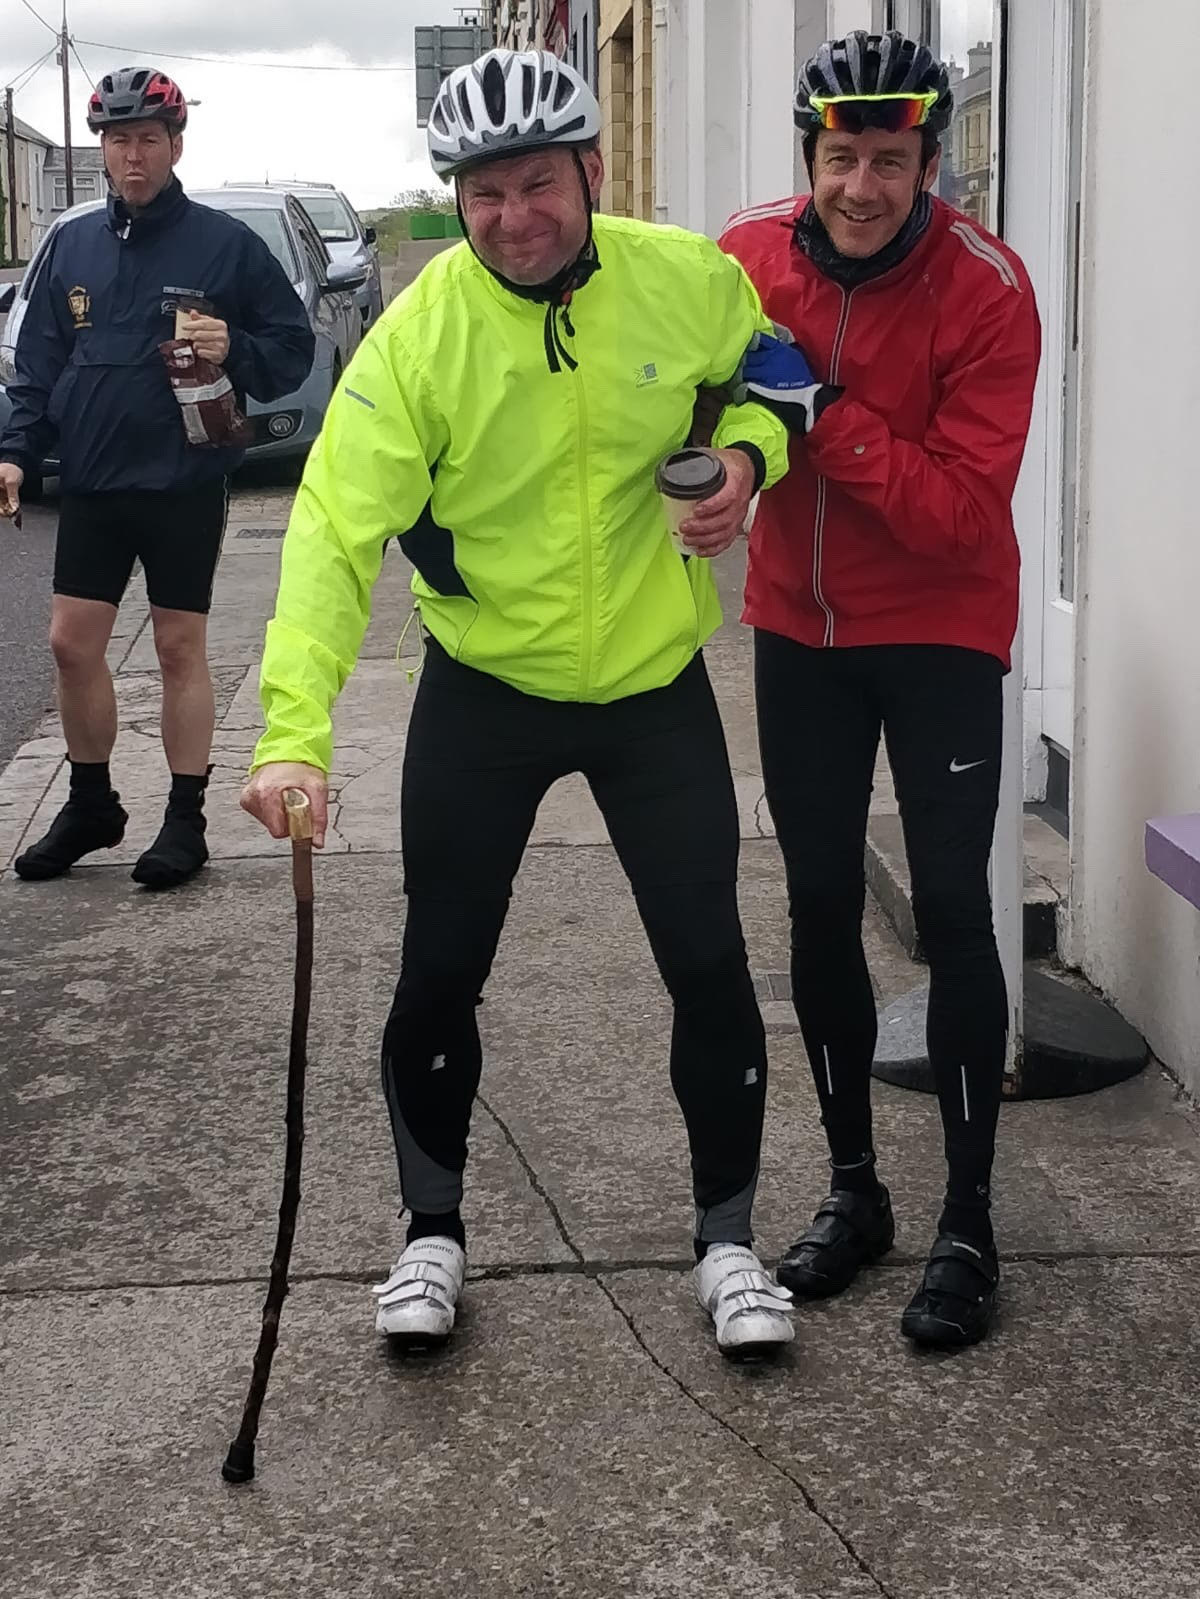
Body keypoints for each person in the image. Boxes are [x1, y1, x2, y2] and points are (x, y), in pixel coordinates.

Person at [241, 48, 797, 1359]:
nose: (512, 217)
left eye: (538, 183)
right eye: (484, 194)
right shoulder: (420, 337)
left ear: (592, 171)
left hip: (653, 687)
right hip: (484, 689)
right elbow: (332, 533)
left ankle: (728, 1241)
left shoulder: (684, 278)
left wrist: (745, 457)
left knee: (708, 961)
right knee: (442, 964)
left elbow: (776, 373)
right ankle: (430, 1233)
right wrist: (292, 734)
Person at [719, 31, 1041, 1347]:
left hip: (940, 630)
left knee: (954, 907)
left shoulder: (988, 287)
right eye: (842, 156)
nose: (863, 186)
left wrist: (823, 415)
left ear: (930, 163)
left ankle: (968, 1220)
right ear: (810, 157)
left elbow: (960, 514)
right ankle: (855, 1189)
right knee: (816, 903)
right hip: (799, 629)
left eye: (891, 161)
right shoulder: (745, 257)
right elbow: (688, 395)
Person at [0, 67, 315, 888]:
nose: (132, 155)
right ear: (102, 150)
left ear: (176, 145)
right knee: (70, 643)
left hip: (183, 477)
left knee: (178, 647)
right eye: (117, 141)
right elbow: (38, 364)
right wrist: (15, 452)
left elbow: (292, 352)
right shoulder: (71, 244)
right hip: (95, 478)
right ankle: (91, 804)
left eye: (147, 139)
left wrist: (234, 346)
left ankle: (184, 819)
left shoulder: (224, 245)